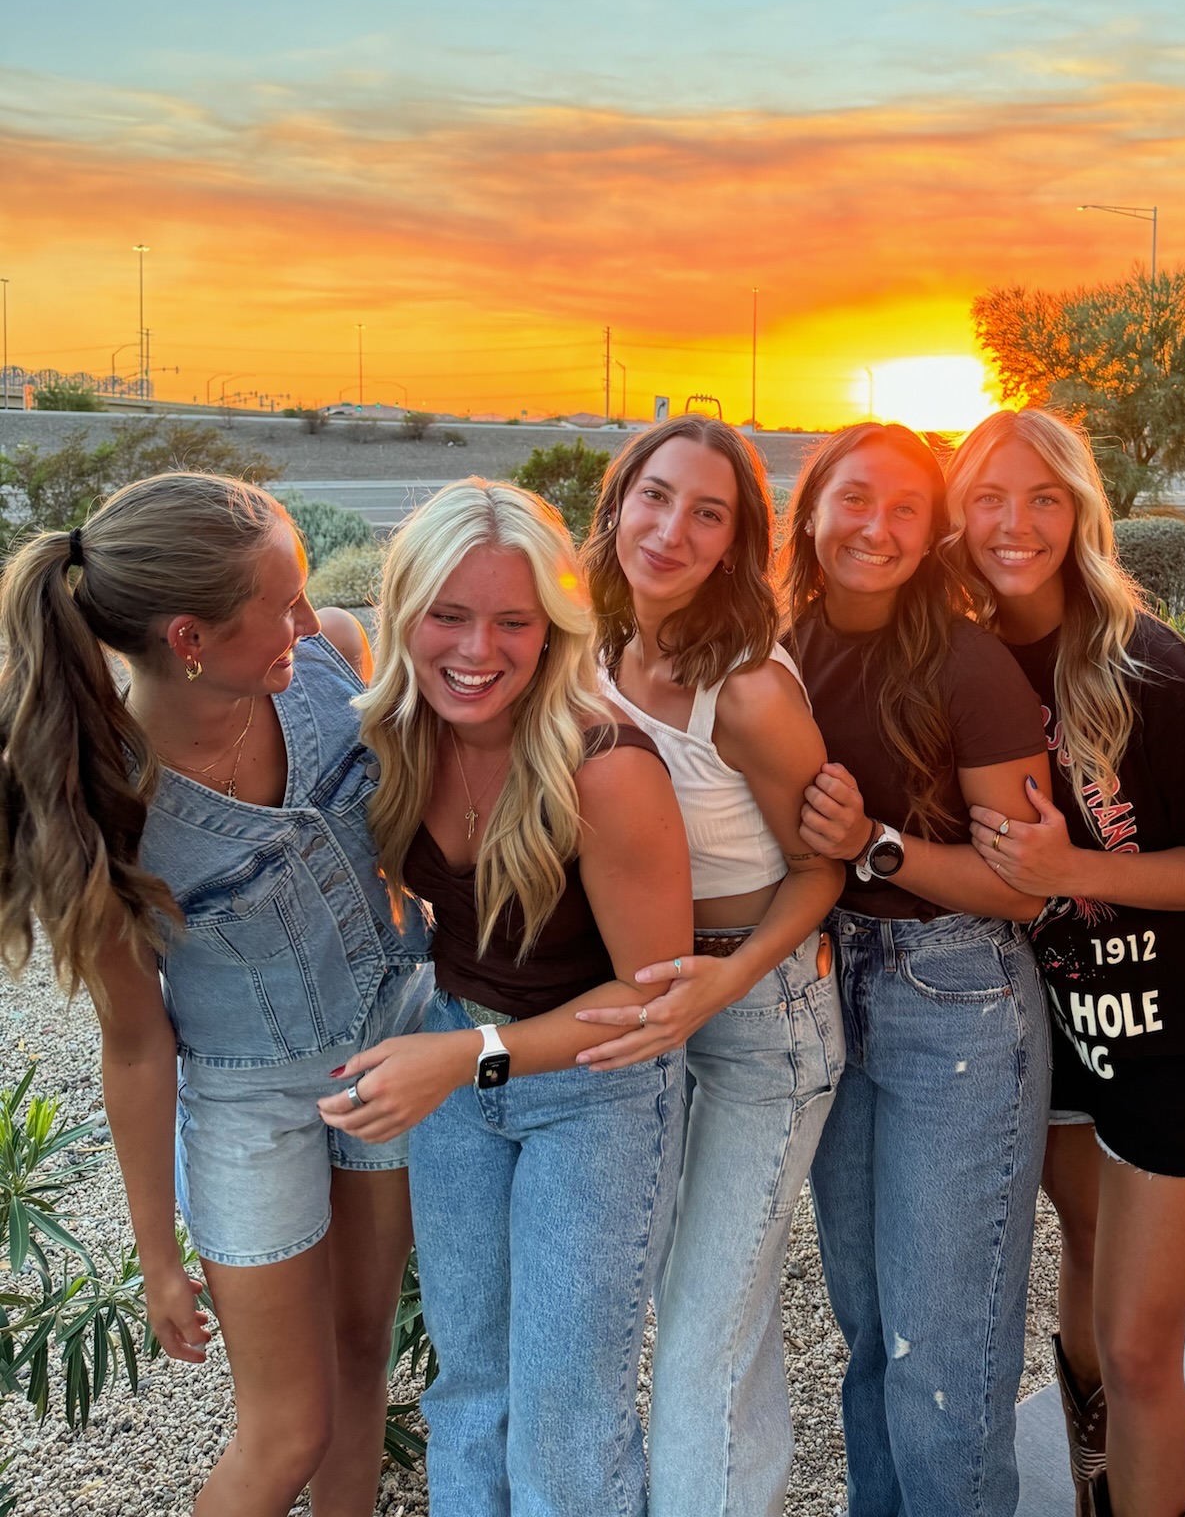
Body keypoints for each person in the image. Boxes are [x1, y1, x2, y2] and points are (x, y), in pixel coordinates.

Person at [0, 472, 430, 1517]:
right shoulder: (109, 810)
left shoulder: (327, 657)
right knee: (287, 1427)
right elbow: (140, 1048)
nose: (310, 613)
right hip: (250, 1108)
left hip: (389, 1059)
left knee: (363, 1354)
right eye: (279, 602)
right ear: (189, 637)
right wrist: (157, 1257)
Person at [316, 477, 693, 1517]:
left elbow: (653, 1002)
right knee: (472, 1384)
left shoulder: (604, 766)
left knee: (570, 1422)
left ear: (551, 628)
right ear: (405, 613)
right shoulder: (392, 731)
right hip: (456, 1058)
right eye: (447, 613)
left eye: (512, 620)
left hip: (597, 1088)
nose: (476, 647)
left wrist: (461, 1056)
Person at [948, 410, 1185, 1517]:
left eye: (1044, 496)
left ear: (1081, 511)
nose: (1016, 522)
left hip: (1178, 1045)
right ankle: (1100, 1479)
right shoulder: (961, 656)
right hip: (1058, 1032)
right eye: (991, 496)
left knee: (1143, 1348)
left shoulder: (1155, 673)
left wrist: (1067, 863)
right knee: (1088, 1249)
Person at [569, 418, 845, 1517]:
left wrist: (727, 983)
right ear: (617, 503)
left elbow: (827, 873)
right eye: (654, 496)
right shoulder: (589, 644)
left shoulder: (746, 690)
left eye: (708, 512)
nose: (671, 528)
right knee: (720, 1308)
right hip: (661, 1005)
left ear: (739, 543)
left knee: (695, 1335)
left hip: (763, 1016)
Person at [784, 421, 1055, 1517]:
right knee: (870, 1331)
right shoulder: (778, 650)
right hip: (816, 986)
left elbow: (1023, 887)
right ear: (810, 508)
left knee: (942, 1351)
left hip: (957, 999)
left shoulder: (963, 660)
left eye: (906, 508)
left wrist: (874, 842)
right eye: (856, 499)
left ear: (932, 527)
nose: (878, 528)